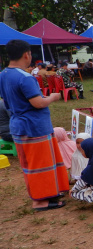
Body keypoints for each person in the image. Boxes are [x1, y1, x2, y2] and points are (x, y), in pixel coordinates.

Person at [0, 40, 68, 211]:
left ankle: (49, 192)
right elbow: (37, 103)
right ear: (26, 54)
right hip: (33, 127)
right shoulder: (25, 77)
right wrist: (53, 97)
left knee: (32, 164)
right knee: (40, 165)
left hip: (19, 126)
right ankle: (41, 201)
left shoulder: (4, 74)